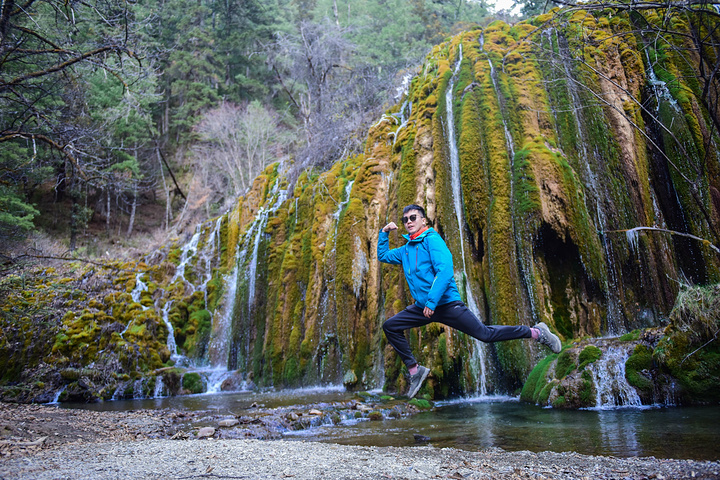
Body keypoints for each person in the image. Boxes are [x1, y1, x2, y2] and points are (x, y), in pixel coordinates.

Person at [377, 204, 561, 398]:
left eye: (413, 218)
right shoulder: (405, 250)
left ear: (424, 220)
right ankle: (415, 371)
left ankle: (536, 332)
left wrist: (432, 302)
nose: (408, 222)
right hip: (423, 308)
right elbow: (383, 255)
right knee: (390, 326)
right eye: (405, 220)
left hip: (446, 304)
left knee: (484, 334)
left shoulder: (432, 240)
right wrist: (384, 233)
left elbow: (445, 269)